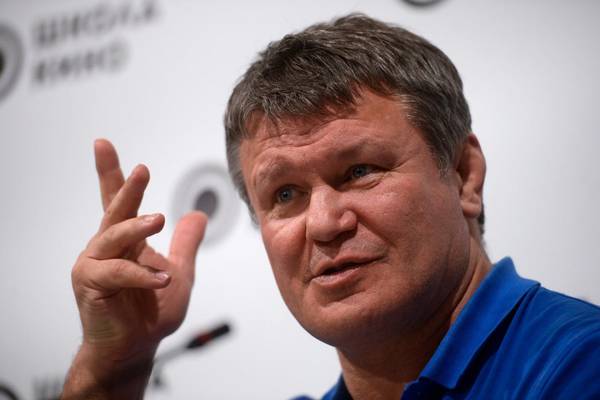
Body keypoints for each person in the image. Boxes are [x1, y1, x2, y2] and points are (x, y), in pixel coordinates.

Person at [61, 13, 600, 400]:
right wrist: (113, 368)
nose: (323, 224)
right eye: (285, 195)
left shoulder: (579, 365)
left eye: (360, 171)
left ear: (463, 174)